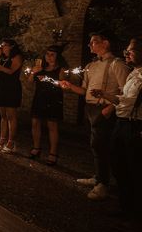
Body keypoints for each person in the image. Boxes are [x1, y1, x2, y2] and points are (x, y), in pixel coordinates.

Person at [59, 30, 130, 200]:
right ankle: (98, 177)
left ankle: (104, 185)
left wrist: (111, 107)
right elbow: (85, 91)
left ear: (105, 43)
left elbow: (127, 93)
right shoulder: (90, 66)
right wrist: (69, 86)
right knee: (95, 145)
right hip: (90, 109)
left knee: (103, 146)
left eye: (94, 41)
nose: (90, 44)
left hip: (104, 111)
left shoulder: (117, 64)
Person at [91, 36, 142, 221]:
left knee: (135, 169)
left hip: (135, 126)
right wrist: (106, 95)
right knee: (120, 166)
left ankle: (136, 216)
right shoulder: (134, 74)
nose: (127, 53)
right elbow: (124, 99)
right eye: (126, 50)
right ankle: (125, 206)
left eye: (132, 50)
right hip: (122, 123)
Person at [28, 45, 68, 165]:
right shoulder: (40, 68)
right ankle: (36, 148)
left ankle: (53, 153)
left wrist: (47, 79)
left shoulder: (61, 70)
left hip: (53, 99)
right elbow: (30, 81)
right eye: (47, 54)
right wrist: (33, 72)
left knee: (52, 125)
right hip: (39, 98)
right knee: (35, 123)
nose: (49, 57)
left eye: (52, 55)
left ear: (57, 57)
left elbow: (62, 85)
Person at [0, 38, 24, 153]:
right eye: (1, 45)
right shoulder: (1, 57)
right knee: (3, 115)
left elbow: (11, 71)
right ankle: (1, 140)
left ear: (11, 46)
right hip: (1, 86)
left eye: (4, 45)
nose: (1, 47)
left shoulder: (17, 57)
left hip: (11, 88)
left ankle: (11, 142)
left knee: (11, 116)